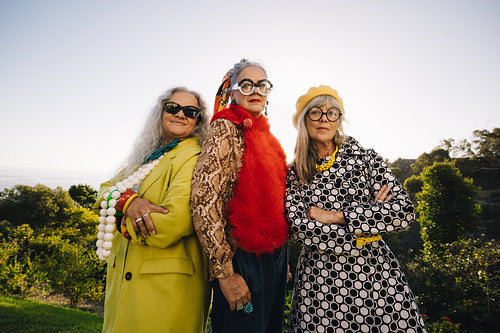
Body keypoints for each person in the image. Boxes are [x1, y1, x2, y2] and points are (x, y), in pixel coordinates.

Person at [286, 85, 427, 333]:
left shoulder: (366, 158)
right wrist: (369, 227)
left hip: (375, 274)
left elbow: (403, 212)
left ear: (339, 119)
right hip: (320, 283)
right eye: (316, 112)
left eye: (332, 112)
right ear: (303, 119)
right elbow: (300, 229)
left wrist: (337, 217)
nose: (324, 119)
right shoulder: (294, 172)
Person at [93, 87, 210, 333]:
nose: (180, 114)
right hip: (125, 281)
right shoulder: (147, 156)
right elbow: (103, 190)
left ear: (198, 120)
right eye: (172, 107)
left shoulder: (194, 155)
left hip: (166, 289)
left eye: (190, 111)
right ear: (161, 111)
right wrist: (127, 201)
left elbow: (172, 223)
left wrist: (122, 221)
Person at [191, 59, 289, 333]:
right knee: (243, 325)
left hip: (274, 258)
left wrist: (281, 263)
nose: (255, 90)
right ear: (232, 92)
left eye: (262, 84)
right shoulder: (225, 129)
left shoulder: (266, 136)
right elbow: (203, 202)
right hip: (241, 260)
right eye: (246, 84)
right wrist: (225, 274)